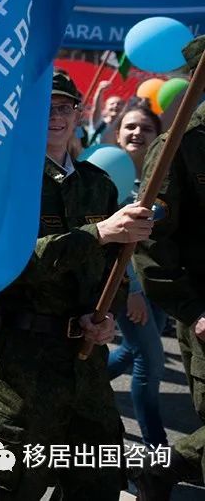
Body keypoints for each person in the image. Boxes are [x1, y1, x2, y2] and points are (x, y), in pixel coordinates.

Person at [0, 71, 154, 500]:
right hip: (25, 360)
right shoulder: (7, 180)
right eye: (42, 107)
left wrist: (107, 316)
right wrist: (99, 233)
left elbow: (112, 268)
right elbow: (11, 262)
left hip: (86, 362)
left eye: (63, 107)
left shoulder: (97, 186)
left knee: (97, 479)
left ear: (78, 113)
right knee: (11, 483)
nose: (54, 116)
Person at [131, 37, 205, 499]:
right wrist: (194, 309)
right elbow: (151, 244)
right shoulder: (181, 143)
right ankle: (161, 468)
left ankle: (162, 467)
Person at [108, 100, 169, 448]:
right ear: (117, 134)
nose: (137, 133)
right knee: (151, 360)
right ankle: (155, 448)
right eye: (130, 126)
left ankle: (80, 390)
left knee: (133, 351)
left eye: (146, 128)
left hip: (159, 283)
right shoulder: (104, 173)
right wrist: (130, 289)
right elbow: (111, 241)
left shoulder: (164, 174)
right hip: (127, 285)